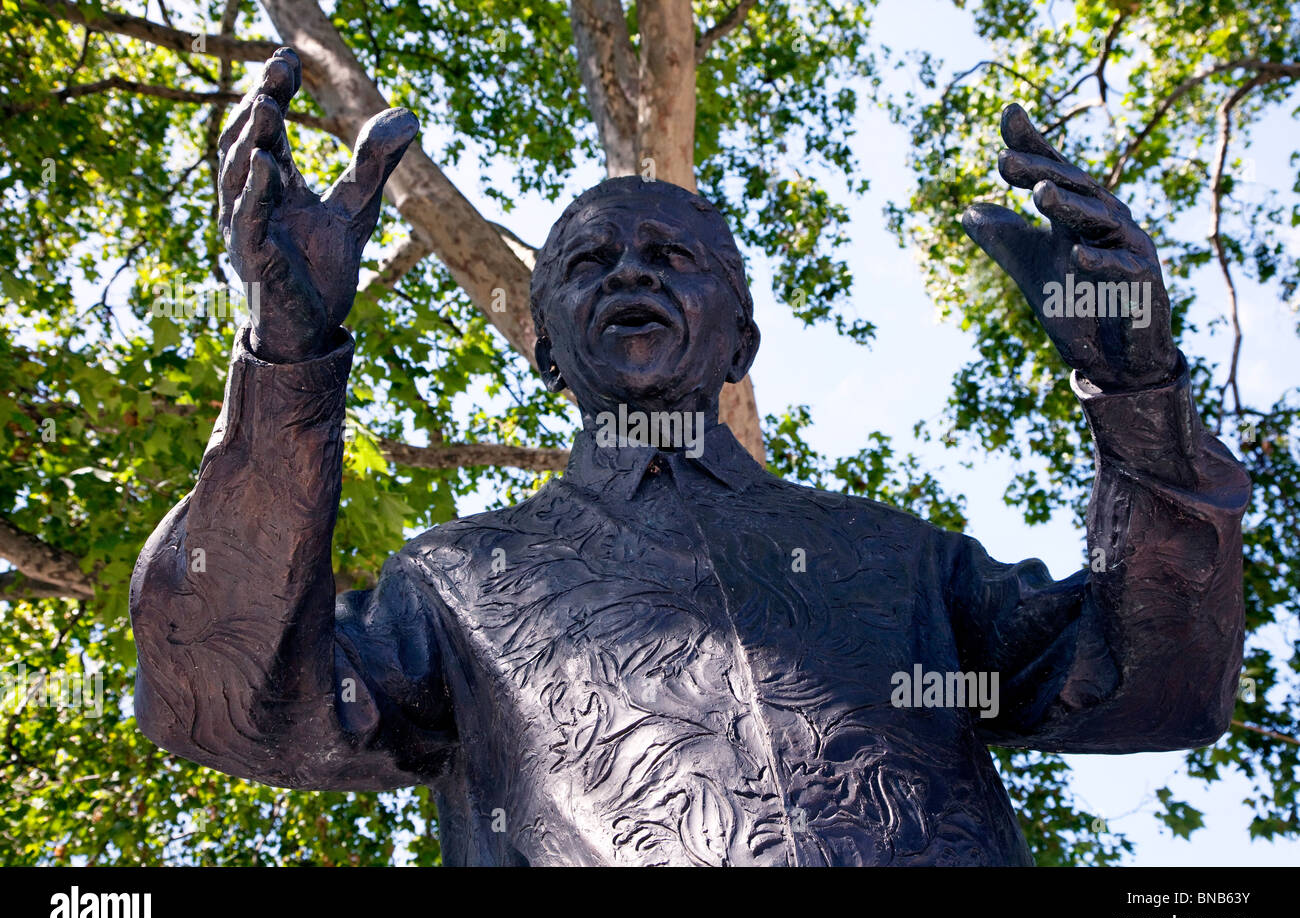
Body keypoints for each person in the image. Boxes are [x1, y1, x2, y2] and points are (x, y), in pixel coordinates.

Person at [131, 48, 1251, 866]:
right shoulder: (454, 584)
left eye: (673, 255)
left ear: (742, 339)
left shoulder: (897, 561)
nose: (631, 274)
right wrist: (288, 358)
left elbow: (1154, 685)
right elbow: (226, 702)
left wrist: (1139, 398)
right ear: (544, 352)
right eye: (587, 262)